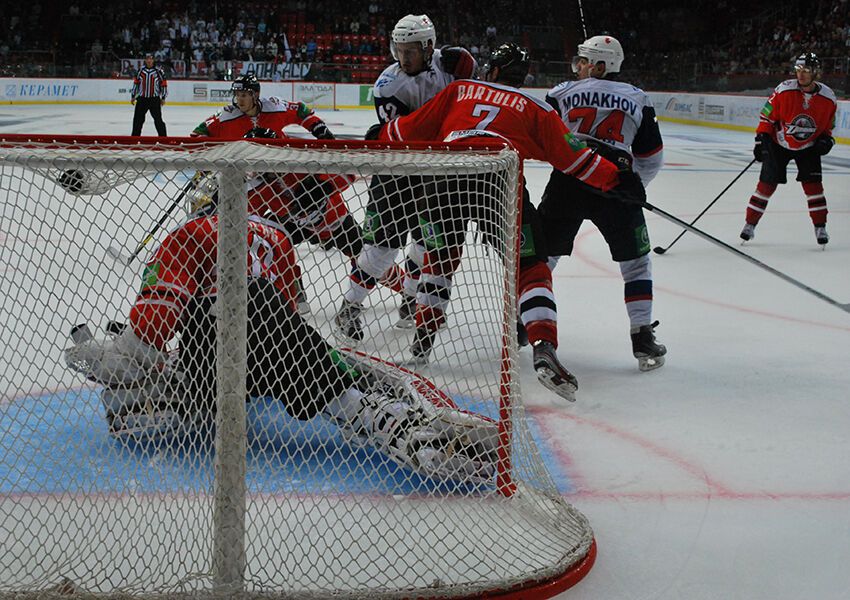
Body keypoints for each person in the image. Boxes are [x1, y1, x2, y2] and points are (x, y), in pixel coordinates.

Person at [62, 159, 499, 484]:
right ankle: (388, 422)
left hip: (216, 369)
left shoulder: (187, 234)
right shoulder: (277, 235)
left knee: (175, 351)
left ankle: (158, 396)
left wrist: (126, 358)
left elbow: (154, 324)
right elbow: (290, 315)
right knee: (306, 347)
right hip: (278, 360)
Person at [370, 43, 645, 401]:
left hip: (444, 177)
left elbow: (408, 130)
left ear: (494, 71)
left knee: (439, 257)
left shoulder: (459, 89)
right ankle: (544, 345)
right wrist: (617, 180)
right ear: (523, 76)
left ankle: (423, 342)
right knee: (530, 266)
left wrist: (378, 136)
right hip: (499, 182)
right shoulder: (537, 108)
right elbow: (576, 160)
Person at [333, 14, 476, 342]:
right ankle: (350, 307)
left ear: (428, 47)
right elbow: (407, 135)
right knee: (381, 249)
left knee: (427, 244)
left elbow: (469, 93)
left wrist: (468, 68)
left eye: (410, 50)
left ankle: (410, 300)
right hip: (396, 173)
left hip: (437, 175)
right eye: (399, 49)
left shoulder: (449, 63)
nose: (403, 57)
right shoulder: (389, 84)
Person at [191, 74, 382, 311]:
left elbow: (345, 172)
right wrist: (214, 173)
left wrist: (319, 133)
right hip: (293, 221)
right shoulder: (255, 176)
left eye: (244, 95)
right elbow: (197, 138)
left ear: (255, 95)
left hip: (333, 220)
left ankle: (407, 289)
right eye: (237, 94)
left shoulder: (297, 162)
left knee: (369, 260)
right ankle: (295, 294)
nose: (239, 99)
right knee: (274, 244)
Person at [541, 35, 667, 372]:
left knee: (542, 255)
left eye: (584, 60)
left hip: (567, 180)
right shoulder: (638, 98)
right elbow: (651, 157)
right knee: (637, 262)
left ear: (600, 64)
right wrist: (634, 186)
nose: (579, 66)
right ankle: (641, 336)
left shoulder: (561, 92)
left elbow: (543, 140)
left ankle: (527, 324)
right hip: (615, 182)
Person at [740, 52, 837, 246]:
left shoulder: (828, 98)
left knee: (814, 187)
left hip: (808, 147)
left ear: (816, 72)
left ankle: (820, 227)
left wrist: (827, 141)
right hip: (779, 144)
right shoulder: (784, 90)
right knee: (766, 186)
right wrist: (761, 139)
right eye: (798, 70)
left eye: (806, 71)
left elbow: (828, 128)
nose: (801, 75)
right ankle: (749, 224)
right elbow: (767, 117)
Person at [131, 53, 168, 136]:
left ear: (153, 60)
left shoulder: (159, 71)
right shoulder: (140, 71)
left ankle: (163, 138)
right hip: (142, 99)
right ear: (145, 60)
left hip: (154, 99)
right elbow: (136, 83)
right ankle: (134, 138)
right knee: (137, 120)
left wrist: (163, 97)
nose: (149, 61)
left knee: (158, 119)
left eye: (150, 59)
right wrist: (133, 96)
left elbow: (164, 84)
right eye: (147, 59)